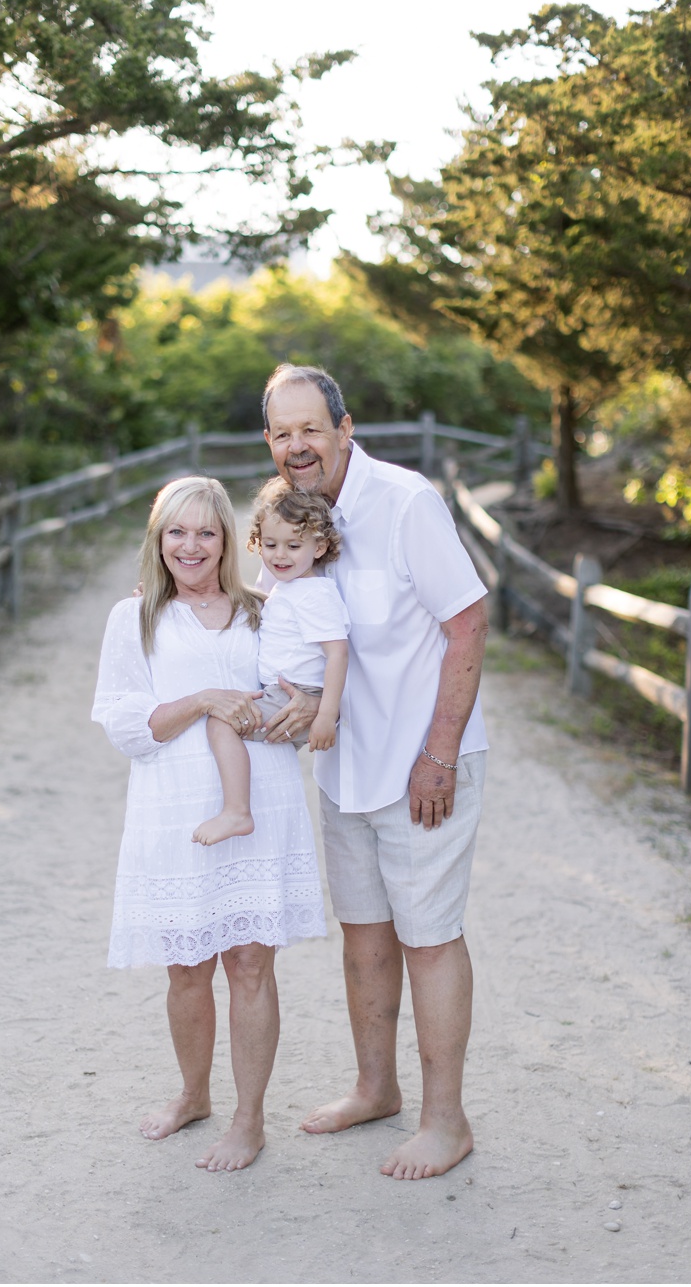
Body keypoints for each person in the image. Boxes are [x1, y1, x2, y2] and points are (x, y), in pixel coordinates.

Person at [257, 362, 489, 1181]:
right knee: (364, 934)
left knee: (428, 938)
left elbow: (467, 622)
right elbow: (285, 633)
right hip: (342, 764)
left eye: (311, 428)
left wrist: (440, 753)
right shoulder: (286, 517)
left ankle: (445, 1120)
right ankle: (375, 1087)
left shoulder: (405, 503)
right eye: (282, 433)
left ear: (345, 429)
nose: (297, 446)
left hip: (421, 760)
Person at [91, 474, 327, 1172]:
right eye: (176, 531)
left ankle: (249, 1120)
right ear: (157, 539)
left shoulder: (266, 612)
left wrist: (301, 710)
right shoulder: (133, 619)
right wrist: (202, 700)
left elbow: (302, 694)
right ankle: (194, 1094)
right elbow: (129, 728)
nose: (189, 545)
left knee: (251, 964)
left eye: (205, 531)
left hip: (264, 805)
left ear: (227, 539)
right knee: (187, 968)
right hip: (176, 810)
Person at [190, 477, 350, 846]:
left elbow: (338, 652)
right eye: (270, 544)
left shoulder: (313, 595)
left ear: (320, 546)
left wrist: (326, 715)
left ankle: (236, 812)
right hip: (282, 692)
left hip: (297, 697)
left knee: (221, 724)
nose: (280, 555)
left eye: (294, 545)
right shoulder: (290, 587)